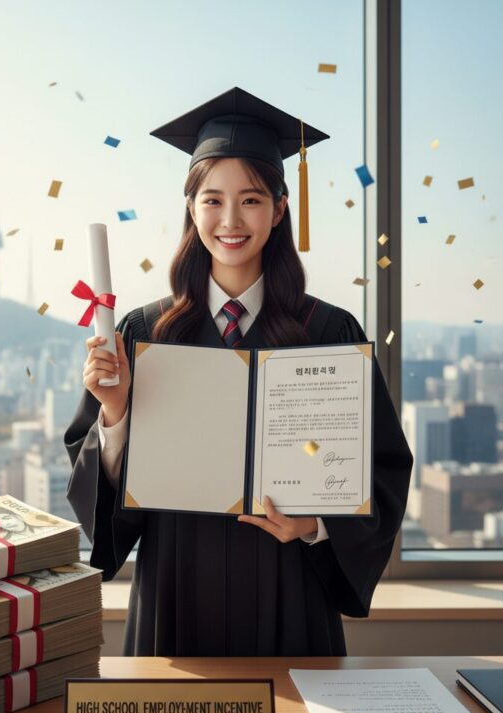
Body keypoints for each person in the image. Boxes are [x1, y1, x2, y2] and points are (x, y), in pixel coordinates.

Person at [64, 87, 413, 656]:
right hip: (176, 594)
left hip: (292, 592)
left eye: (251, 200)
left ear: (279, 210)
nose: (230, 220)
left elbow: (383, 468)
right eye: (212, 200)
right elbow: (100, 513)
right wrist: (116, 412)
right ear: (191, 209)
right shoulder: (144, 332)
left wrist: (315, 525)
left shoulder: (329, 333)